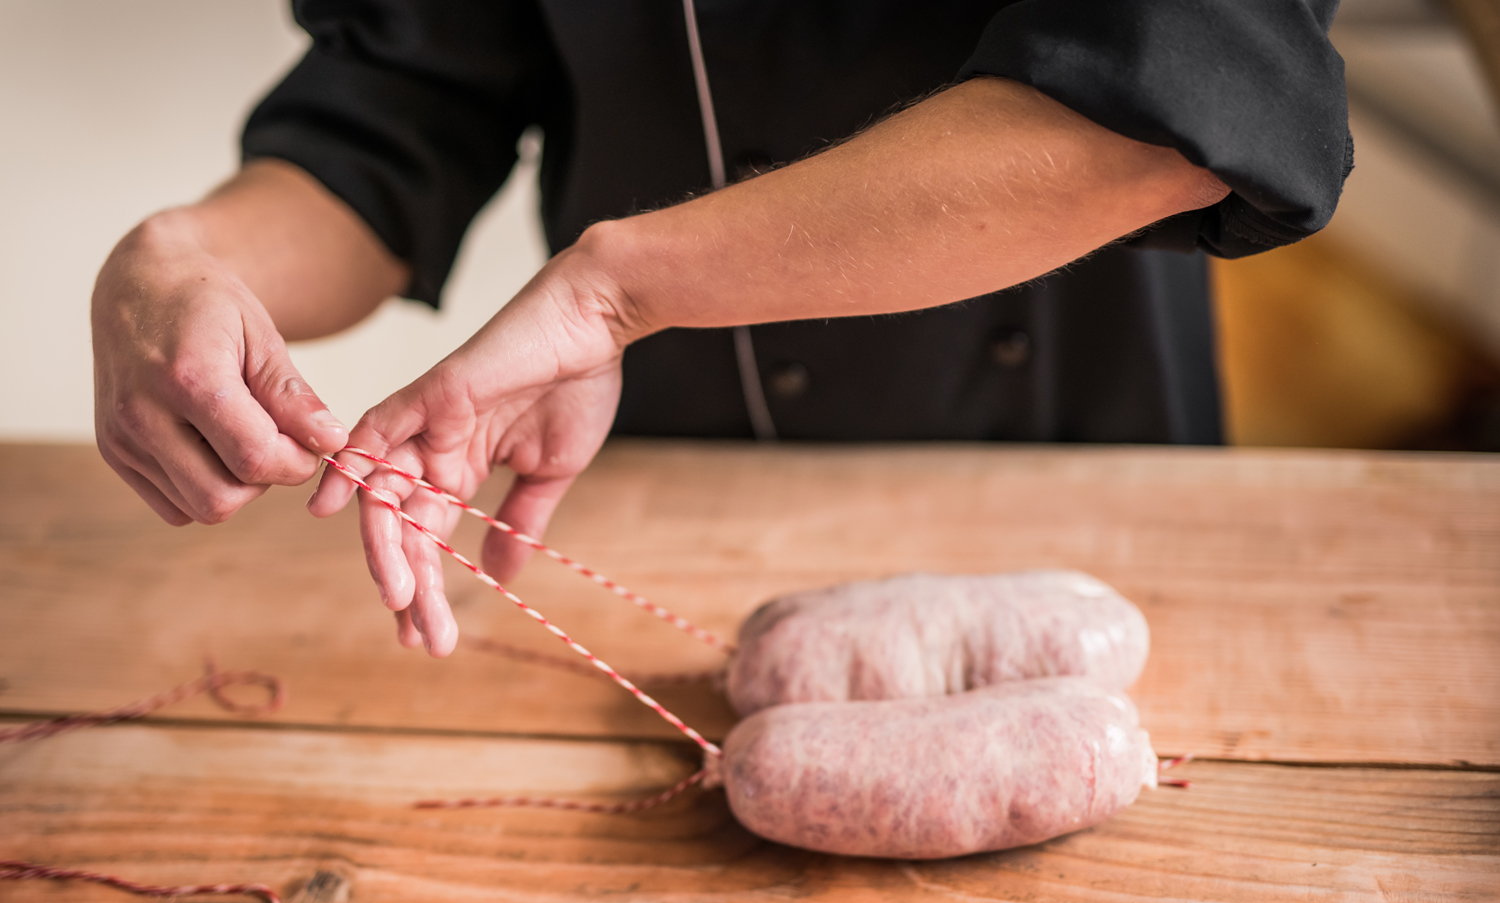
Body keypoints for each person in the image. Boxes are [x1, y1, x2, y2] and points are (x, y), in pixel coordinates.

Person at [91, 0, 1350, 656]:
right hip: (648, 467)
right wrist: (190, 254)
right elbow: (398, 112)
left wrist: (613, 289)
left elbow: (1169, 111)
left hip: (1081, 451)